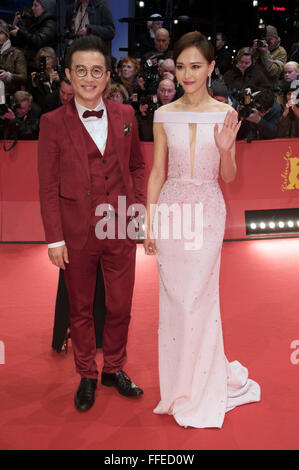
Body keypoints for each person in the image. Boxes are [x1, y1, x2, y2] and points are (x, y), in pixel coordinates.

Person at [144, 31, 261, 429]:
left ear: (211, 67)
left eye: (196, 66)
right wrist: (149, 219)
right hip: (172, 211)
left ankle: (202, 387)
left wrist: (228, 149)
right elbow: (158, 170)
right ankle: (179, 387)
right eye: (180, 66)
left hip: (208, 210)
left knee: (198, 299)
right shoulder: (163, 114)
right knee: (174, 301)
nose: (187, 74)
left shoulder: (225, 113)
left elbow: (228, 176)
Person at [38, 35, 146, 412]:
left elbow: (137, 166)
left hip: (120, 229)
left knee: (120, 305)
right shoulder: (51, 123)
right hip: (76, 231)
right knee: (80, 308)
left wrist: (139, 211)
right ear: (68, 74)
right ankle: (86, 373)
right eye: (80, 70)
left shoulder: (127, 115)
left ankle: (114, 368)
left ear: (107, 75)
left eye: (96, 70)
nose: (88, 78)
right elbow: (48, 185)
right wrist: (54, 240)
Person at [9, 0, 57, 74]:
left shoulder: (49, 23)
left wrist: (20, 33)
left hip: (42, 67)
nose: (32, 8)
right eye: (32, 5)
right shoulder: (36, 22)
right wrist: (16, 27)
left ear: (45, 7)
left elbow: (40, 40)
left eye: (36, 5)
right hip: (32, 66)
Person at [0, 20, 27, 98]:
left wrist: (9, 76)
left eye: (0, 33)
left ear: (7, 35)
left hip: (11, 96)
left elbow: (23, 78)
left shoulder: (16, 53)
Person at [31, 47, 61, 111]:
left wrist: (59, 81)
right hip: (43, 108)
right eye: (42, 59)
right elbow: (35, 99)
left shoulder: (61, 74)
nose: (45, 61)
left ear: (53, 59)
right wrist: (34, 86)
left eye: (48, 58)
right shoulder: (37, 76)